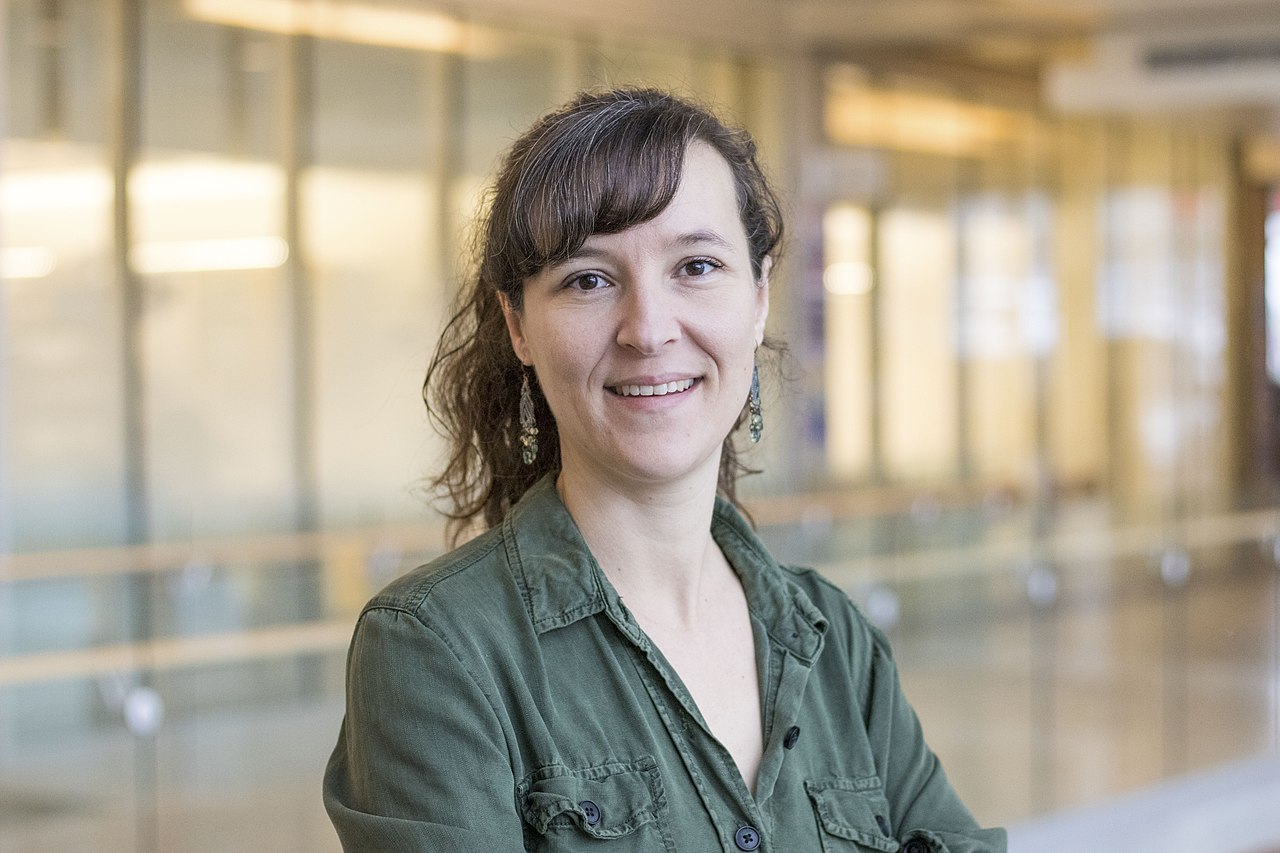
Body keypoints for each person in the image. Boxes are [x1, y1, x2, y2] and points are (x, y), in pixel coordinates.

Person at [323, 87, 1006, 853]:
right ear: (518, 323)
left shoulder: (835, 641)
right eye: (588, 278)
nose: (648, 329)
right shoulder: (438, 652)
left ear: (758, 295)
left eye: (697, 265)